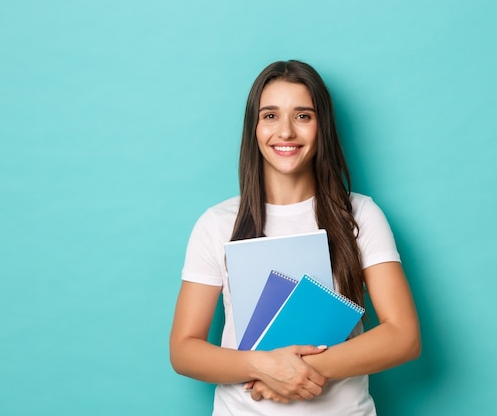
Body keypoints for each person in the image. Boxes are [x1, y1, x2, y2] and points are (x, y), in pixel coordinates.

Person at [169, 60, 421, 415]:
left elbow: (403, 336)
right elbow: (184, 348)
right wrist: (262, 366)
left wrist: (294, 371)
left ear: (323, 127)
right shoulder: (217, 223)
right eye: (270, 116)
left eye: (303, 115)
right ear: (253, 128)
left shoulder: (360, 215)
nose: (285, 132)